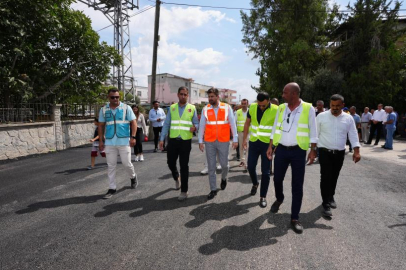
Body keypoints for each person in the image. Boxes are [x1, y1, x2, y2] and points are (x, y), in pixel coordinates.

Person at [266, 82, 318, 234]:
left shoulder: (308, 108)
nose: (282, 95)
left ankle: (295, 218)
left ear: (294, 94)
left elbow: (313, 131)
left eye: (285, 92)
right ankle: (279, 198)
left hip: (298, 151)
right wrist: (271, 146)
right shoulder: (282, 107)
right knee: (277, 179)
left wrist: (313, 150)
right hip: (281, 149)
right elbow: (275, 127)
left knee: (297, 185)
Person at [316, 94, 361, 217]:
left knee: (334, 176)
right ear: (329, 105)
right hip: (324, 151)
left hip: (339, 153)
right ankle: (325, 203)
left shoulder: (348, 118)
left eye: (337, 106)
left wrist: (356, 151)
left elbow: (353, 134)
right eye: (332, 105)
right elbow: (315, 134)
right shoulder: (321, 117)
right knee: (325, 177)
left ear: (343, 105)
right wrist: (313, 150)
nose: (334, 108)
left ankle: (331, 197)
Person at [159, 87, 199, 201]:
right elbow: (166, 124)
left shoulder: (192, 108)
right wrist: (162, 139)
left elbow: (196, 122)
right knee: (170, 162)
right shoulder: (172, 108)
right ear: (178, 95)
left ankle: (184, 191)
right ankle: (176, 177)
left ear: (188, 96)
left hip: (186, 141)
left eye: (185, 94)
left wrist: (195, 127)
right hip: (173, 140)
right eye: (181, 94)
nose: (183, 96)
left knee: (184, 165)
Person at [199, 88, 238, 200]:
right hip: (209, 141)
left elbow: (232, 123)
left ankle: (224, 178)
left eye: (212, 96)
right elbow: (202, 125)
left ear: (217, 96)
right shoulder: (205, 109)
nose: (210, 98)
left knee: (225, 165)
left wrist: (235, 139)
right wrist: (201, 141)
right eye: (209, 97)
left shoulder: (226, 107)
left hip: (223, 140)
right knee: (211, 166)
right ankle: (213, 189)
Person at [98, 88, 138, 199]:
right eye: (112, 97)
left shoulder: (126, 108)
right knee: (111, 166)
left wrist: (133, 137)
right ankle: (112, 188)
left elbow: (133, 122)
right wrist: (101, 141)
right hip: (110, 142)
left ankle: (133, 177)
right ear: (108, 97)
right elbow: (101, 125)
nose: (115, 99)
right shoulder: (104, 110)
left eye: (117, 97)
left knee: (127, 164)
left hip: (124, 141)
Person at [243, 92, 278, 208]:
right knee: (251, 167)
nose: (261, 107)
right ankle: (255, 183)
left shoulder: (276, 110)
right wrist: (244, 140)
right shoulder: (252, 107)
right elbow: (247, 123)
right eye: (259, 105)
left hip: (267, 145)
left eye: (263, 105)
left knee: (266, 172)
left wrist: (272, 146)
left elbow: (277, 129)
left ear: (268, 101)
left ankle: (263, 196)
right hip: (253, 143)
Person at [235, 99, 249, 168]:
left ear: (247, 104)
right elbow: (234, 122)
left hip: (249, 132)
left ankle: (246, 162)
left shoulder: (250, 111)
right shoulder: (237, 112)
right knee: (241, 147)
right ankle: (242, 161)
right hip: (240, 132)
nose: (244, 105)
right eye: (242, 103)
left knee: (248, 148)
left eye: (245, 103)